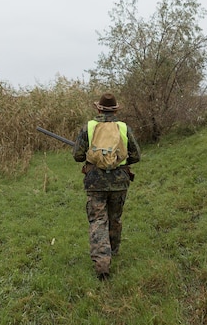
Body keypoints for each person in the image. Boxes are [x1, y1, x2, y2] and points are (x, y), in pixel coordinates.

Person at [72, 93, 141, 281]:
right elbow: (136, 155)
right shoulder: (124, 128)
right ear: (116, 110)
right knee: (115, 218)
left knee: (98, 220)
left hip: (95, 181)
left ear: (98, 109)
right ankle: (113, 251)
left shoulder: (89, 127)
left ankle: (102, 264)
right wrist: (118, 160)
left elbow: (77, 155)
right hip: (119, 181)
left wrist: (93, 155)